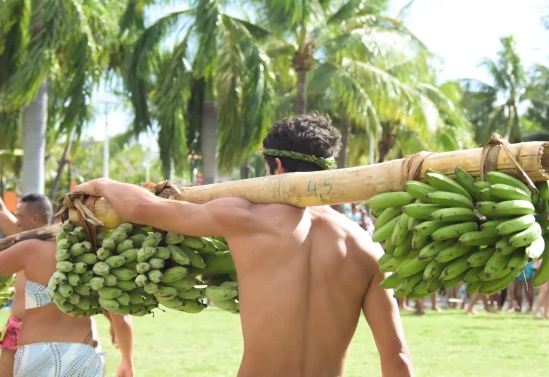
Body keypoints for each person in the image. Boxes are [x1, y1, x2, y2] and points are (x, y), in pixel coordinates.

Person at [74, 113, 414, 376]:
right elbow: (396, 356)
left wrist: (100, 183)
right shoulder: (366, 249)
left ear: (276, 167)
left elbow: (142, 208)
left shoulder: (244, 217)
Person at [0, 194, 135, 377]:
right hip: (82, 354)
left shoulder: (31, 250)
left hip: (35, 355)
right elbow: (121, 318)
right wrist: (127, 362)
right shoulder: (101, 256)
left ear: (58, 215)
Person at [0, 193, 53, 376]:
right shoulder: (19, 235)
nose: (16, 219)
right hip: (15, 327)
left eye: (19, 215)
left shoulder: (61, 248)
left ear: (34, 218)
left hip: (44, 332)